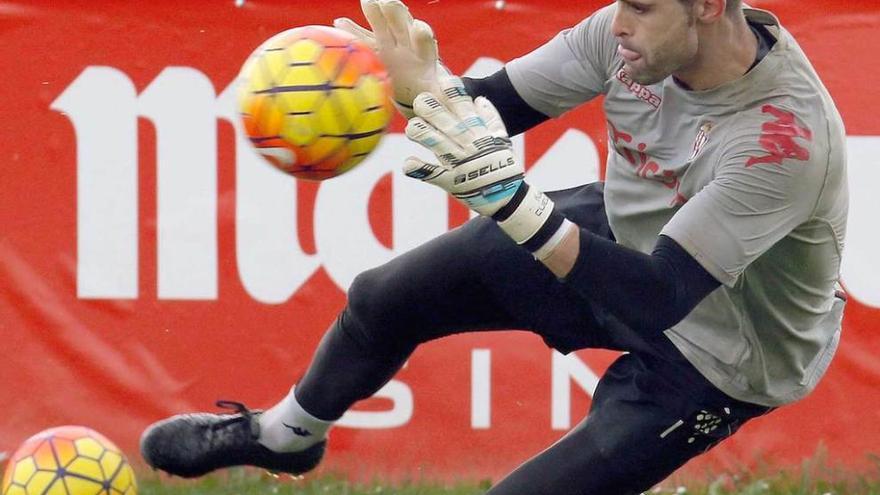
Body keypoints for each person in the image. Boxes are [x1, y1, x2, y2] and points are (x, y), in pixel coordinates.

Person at [140, 0, 848, 493]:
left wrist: (514, 204)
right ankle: (284, 436)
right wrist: (420, 90)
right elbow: (496, 104)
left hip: (723, 351)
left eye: (640, 7)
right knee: (383, 298)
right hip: (625, 231)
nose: (619, 26)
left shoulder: (783, 137)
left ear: (709, 6)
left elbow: (657, 294)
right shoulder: (627, 34)